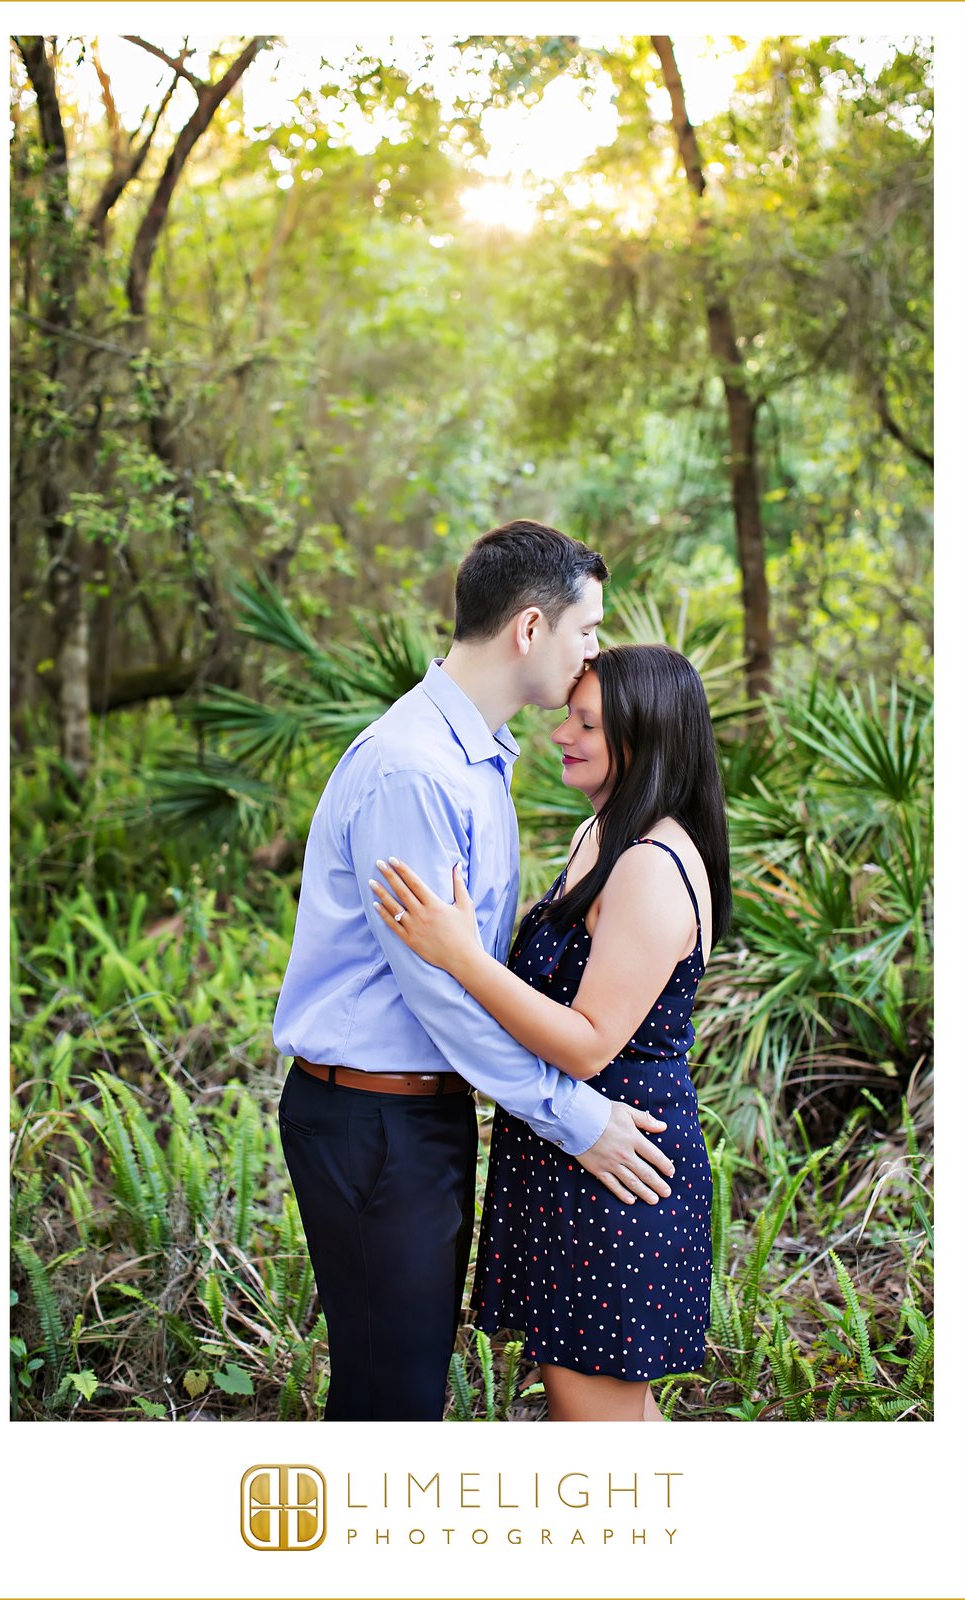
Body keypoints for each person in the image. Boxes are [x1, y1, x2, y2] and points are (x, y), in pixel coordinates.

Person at [273, 523, 678, 1422]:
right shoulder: (414, 770)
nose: (593, 652)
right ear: (531, 631)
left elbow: (477, 970)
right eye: (586, 630)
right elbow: (446, 996)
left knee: (405, 1387)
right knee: (394, 1401)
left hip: (420, 1115)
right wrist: (578, 1120)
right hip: (373, 1120)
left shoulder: (478, 761)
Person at [372, 643, 731, 1421]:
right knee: (616, 1420)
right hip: (571, 1157)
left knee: (594, 1430)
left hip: (616, 1164)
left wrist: (462, 958)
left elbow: (588, 1041)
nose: (563, 733)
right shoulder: (599, 837)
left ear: (648, 740)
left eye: (589, 724)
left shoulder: (650, 865)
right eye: (570, 713)